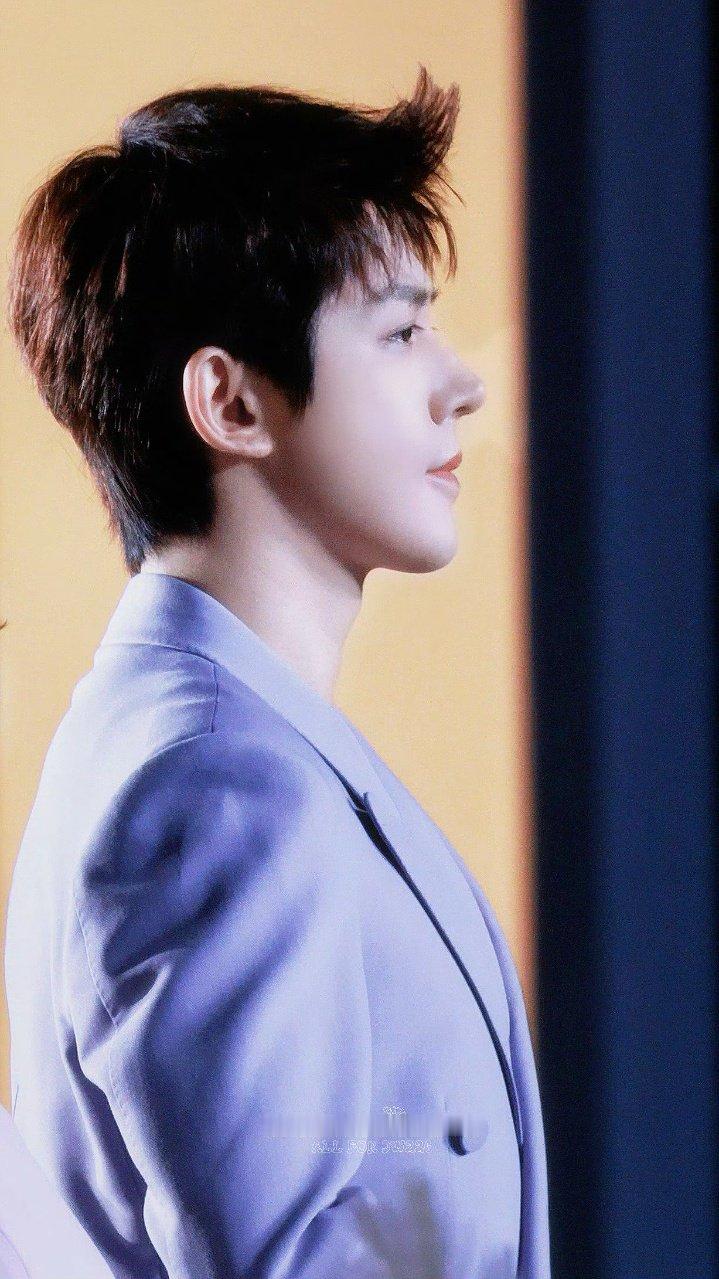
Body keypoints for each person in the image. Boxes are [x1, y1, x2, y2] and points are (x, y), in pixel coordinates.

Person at [4, 66, 550, 1278]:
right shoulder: (212, 789)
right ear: (231, 402)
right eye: (400, 331)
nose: (459, 382)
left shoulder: (232, 749)